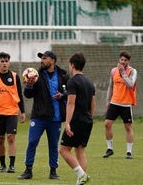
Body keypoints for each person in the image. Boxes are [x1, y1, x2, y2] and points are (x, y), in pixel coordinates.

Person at [17, 51, 69, 180]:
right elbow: (28, 95)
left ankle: (53, 171)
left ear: (53, 60)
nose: (42, 60)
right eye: (41, 58)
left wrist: (62, 95)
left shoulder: (63, 75)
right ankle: (28, 170)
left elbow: (70, 92)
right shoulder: (36, 74)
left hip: (55, 118)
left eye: (44, 58)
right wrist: (29, 86)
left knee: (53, 145)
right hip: (39, 116)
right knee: (32, 142)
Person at [0, 52, 26, 173]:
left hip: (12, 112)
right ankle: (2, 164)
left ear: (9, 62)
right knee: (0, 139)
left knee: (11, 137)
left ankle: (12, 166)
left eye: (6, 61)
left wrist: (22, 111)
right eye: (2, 61)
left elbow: (19, 95)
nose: (4, 63)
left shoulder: (14, 76)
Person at [59, 52, 96, 185]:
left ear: (72, 65)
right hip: (87, 121)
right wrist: (90, 117)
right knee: (80, 151)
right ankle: (81, 181)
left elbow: (71, 103)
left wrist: (67, 122)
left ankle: (82, 175)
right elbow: (93, 103)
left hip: (76, 121)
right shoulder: (89, 81)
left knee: (63, 150)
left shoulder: (72, 81)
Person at [102, 50, 137, 159]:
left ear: (128, 61)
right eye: (121, 59)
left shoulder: (132, 71)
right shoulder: (113, 71)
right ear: (119, 59)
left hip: (126, 104)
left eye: (125, 60)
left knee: (128, 127)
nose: (123, 62)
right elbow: (110, 86)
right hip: (114, 102)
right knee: (107, 124)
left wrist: (123, 73)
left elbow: (131, 85)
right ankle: (110, 149)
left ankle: (129, 152)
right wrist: (108, 100)